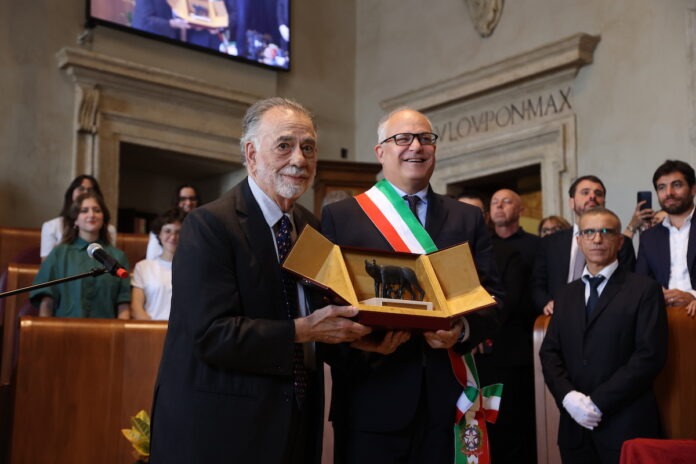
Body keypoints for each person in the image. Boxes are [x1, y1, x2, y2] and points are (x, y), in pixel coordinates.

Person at [149, 97, 371, 463]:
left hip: (297, 421)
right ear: (251, 154)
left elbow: (319, 320)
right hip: (224, 429)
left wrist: (364, 343)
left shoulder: (311, 228)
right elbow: (212, 335)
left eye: (308, 148)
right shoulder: (208, 226)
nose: (299, 159)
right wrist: (303, 330)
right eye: (284, 146)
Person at [321, 107, 503, 463]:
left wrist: (463, 329)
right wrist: (367, 344)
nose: (415, 147)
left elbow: (495, 295)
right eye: (402, 138)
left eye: (425, 138)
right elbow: (325, 302)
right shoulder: (342, 217)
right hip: (370, 398)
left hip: (447, 398)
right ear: (380, 152)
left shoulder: (466, 217)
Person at [540, 207, 667, 464]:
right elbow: (550, 352)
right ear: (579, 240)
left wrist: (597, 403)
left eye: (605, 232)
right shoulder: (566, 294)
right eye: (589, 232)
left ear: (620, 241)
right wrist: (568, 397)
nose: (597, 239)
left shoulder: (644, 290)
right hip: (574, 429)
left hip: (626, 426)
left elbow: (649, 356)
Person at [458, 191, 537, 463]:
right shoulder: (439, 253)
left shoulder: (504, 252)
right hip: (453, 355)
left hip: (500, 357)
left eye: (475, 214)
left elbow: (507, 300)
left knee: (504, 432)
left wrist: (477, 329)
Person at [532, 175, 636, 315]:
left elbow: (627, 283)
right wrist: (547, 303)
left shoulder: (618, 241)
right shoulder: (549, 242)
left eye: (598, 193)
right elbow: (536, 284)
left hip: (605, 311)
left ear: (604, 202)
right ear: (571, 202)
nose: (592, 196)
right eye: (585, 192)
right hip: (557, 314)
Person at [31, 192, 131, 319]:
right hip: (64, 329)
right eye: (84, 210)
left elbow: (123, 303)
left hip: (105, 331)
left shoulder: (118, 256)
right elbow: (46, 300)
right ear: (75, 220)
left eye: (97, 210)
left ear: (103, 218)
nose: (91, 214)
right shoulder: (59, 254)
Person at [636, 160, 696, 318]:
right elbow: (641, 282)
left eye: (676, 185)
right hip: (662, 316)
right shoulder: (649, 237)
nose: (668, 192)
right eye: (661, 187)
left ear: (693, 189)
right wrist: (656, 295)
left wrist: (694, 297)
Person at [40, 174, 116, 260]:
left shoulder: (109, 230)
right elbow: (48, 264)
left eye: (90, 190)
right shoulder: (51, 226)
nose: (86, 193)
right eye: (81, 189)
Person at [131, 208, 186, 320]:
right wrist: (153, 331)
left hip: (184, 332)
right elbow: (136, 308)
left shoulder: (195, 267)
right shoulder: (143, 267)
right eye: (167, 231)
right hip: (150, 329)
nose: (173, 237)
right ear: (159, 234)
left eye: (178, 232)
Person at [145, 184, 201, 260]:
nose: (188, 202)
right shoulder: (162, 226)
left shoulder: (202, 226)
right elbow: (152, 261)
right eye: (183, 199)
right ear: (176, 201)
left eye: (192, 198)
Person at [490, 188, 539, 269]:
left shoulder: (537, 244)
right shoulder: (483, 244)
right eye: (494, 202)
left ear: (520, 211)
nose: (499, 205)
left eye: (506, 201)